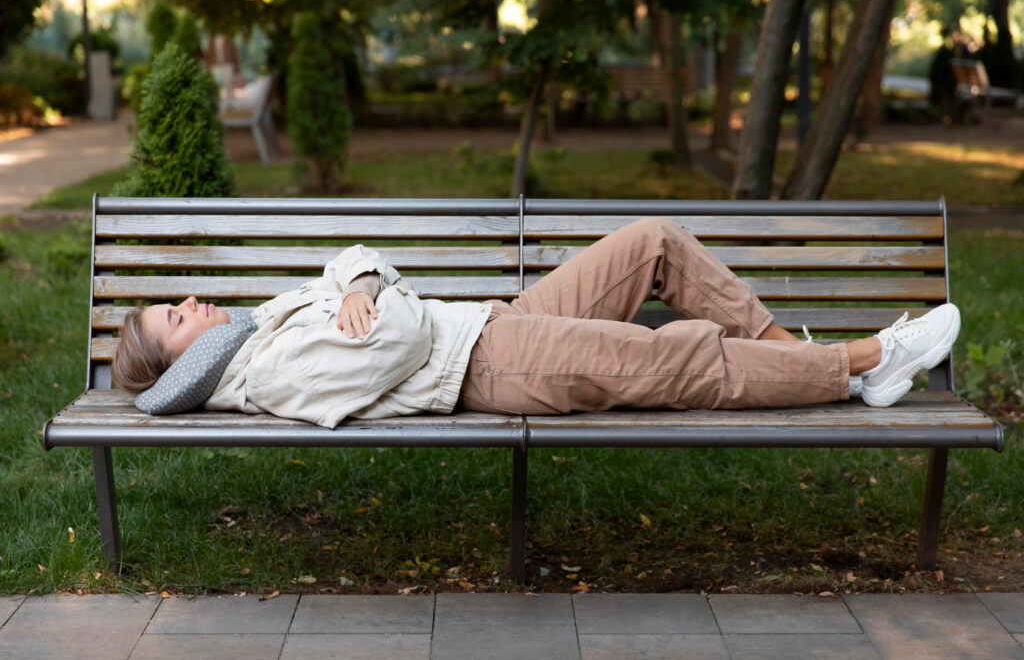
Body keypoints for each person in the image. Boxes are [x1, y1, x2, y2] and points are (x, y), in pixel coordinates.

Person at [112, 218, 961, 427]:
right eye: (173, 318)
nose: (190, 303)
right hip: (485, 365)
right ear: (179, 368)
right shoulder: (271, 373)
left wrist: (363, 277)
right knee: (675, 359)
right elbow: (398, 337)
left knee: (653, 244)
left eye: (179, 299)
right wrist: (371, 289)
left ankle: (799, 357)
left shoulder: (259, 329)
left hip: (490, 323)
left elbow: (353, 259)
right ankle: (865, 360)